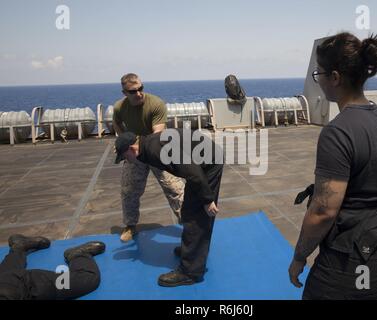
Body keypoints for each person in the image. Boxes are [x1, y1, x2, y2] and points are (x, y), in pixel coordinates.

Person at [288, 32, 377, 300]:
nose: (318, 81)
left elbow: (323, 211)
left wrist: (299, 256)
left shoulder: (337, 132)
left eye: (319, 74)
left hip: (354, 261)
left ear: (335, 78)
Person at [115, 129, 223, 287]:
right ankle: (191, 252)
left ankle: (190, 272)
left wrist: (207, 199)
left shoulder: (154, 150)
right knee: (188, 210)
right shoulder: (147, 146)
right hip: (199, 163)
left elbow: (191, 170)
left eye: (125, 157)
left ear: (132, 149)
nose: (127, 160)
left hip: (208, 164)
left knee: (197, 216)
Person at [113, 73, 185, 242]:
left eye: (140, 89)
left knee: (175, 189)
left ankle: (189, 223)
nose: (138, 94)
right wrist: (125, 141)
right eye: (133, 91)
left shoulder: (156, 104)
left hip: (157, 150)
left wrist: (140, 147)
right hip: (135, 153)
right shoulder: (119, 107)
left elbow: (157, 136)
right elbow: (116, 122)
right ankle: (130, 225)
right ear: (124, 92)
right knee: (129, 191)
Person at [0, 234, 105, 300]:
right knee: (7, 274)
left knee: (87, 278)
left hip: (21, 287)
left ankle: (77, 254)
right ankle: (18, 247)